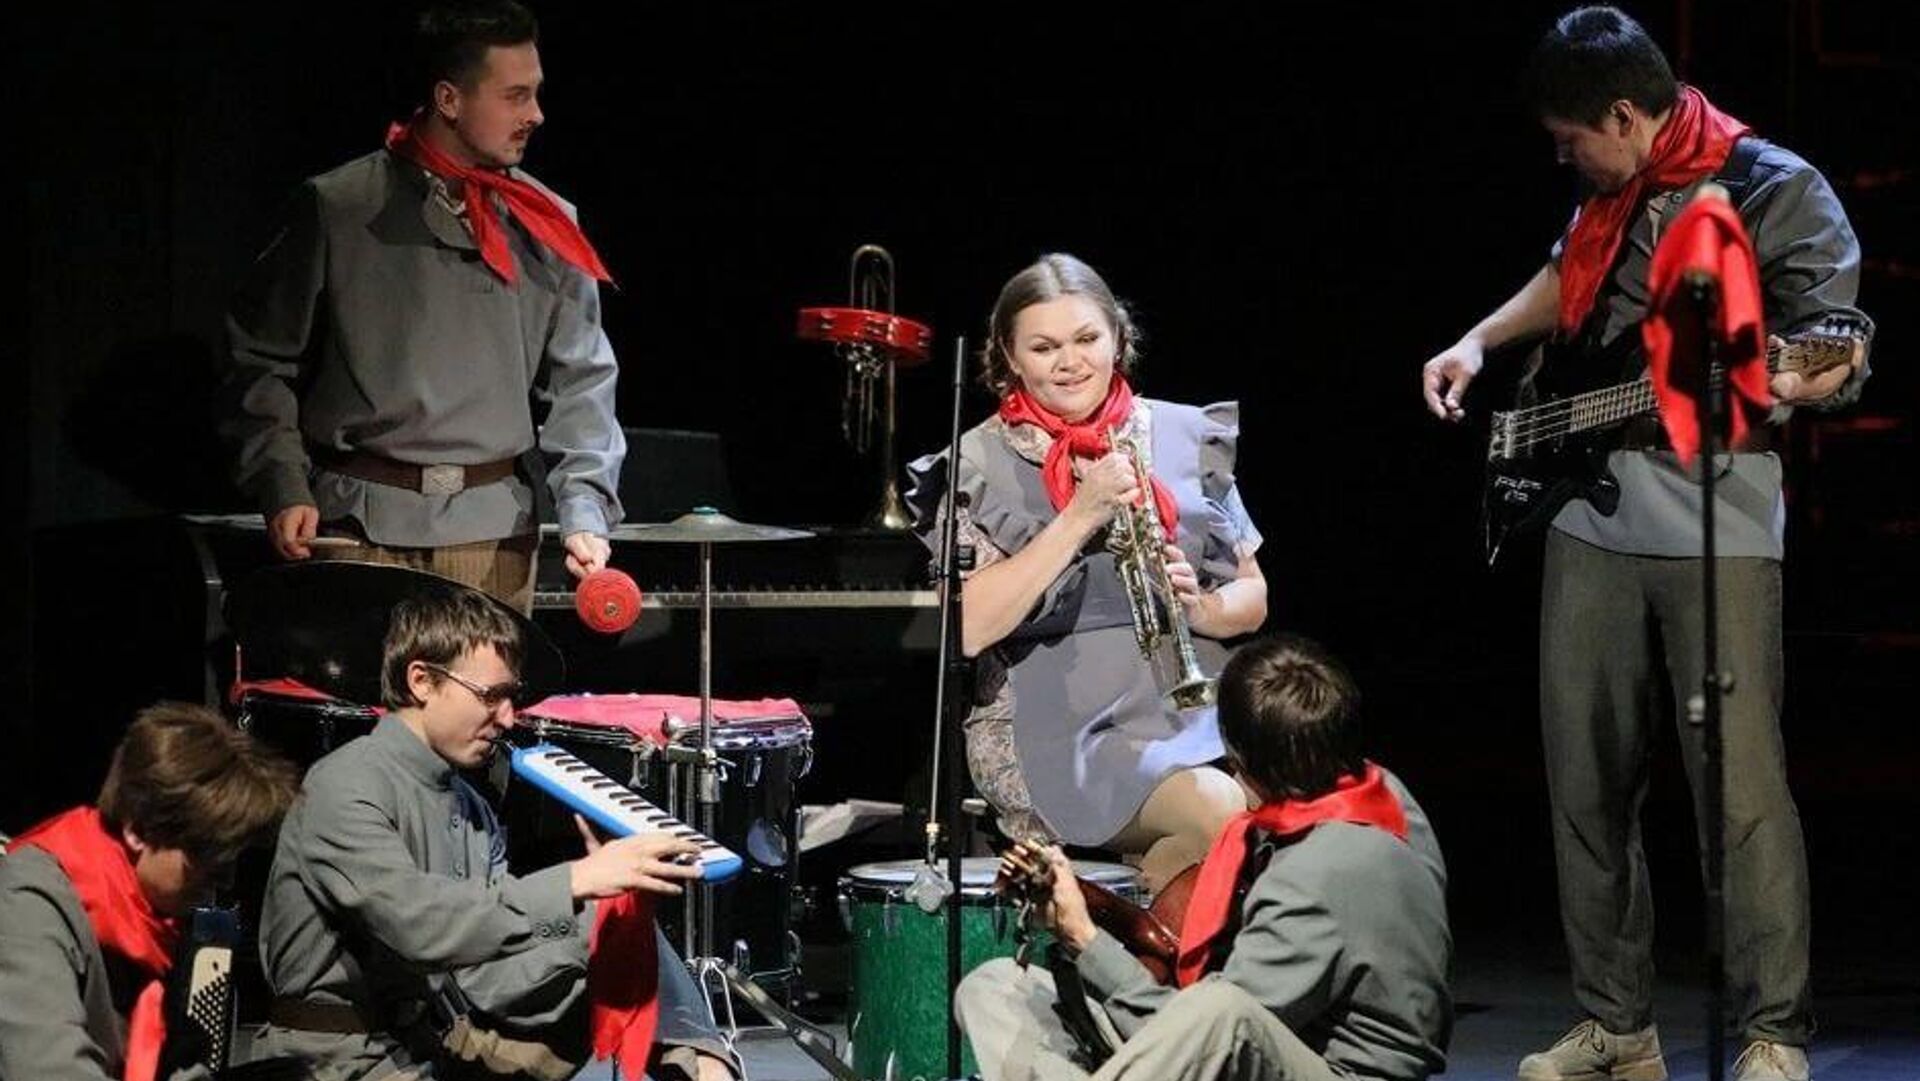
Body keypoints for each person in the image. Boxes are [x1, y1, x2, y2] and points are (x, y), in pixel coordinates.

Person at [1418, 9, 1872, 1081]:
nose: (1563, 157)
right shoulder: (1612, 189)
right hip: (1590, 511)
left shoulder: (1772, 187)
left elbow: (1835, 341)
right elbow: (1566, 278)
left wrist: (1813, 372)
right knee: (1585, 778)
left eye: (1570, 139)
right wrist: (1478, 339)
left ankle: (1772, 1032)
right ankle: (1617, 1026)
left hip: (1718, 518)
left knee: (1740, 788)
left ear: (1624, 115)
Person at [220, 0, 625, 614]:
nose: (536, 114)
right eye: (515, 96)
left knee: (483, 684)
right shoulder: (338, 208)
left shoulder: (547, 224)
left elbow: (583, 381)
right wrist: (282, 481)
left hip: (493, 543)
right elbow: (259, 361)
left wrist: (584, 508)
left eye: (536, 93)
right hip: (355, 532)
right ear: (448, 99)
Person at [251, 584, 734, 1080]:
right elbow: (420, 928)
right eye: (491, 695)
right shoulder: (345, 784)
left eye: (511, 698)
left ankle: (706, 1066)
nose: (507, 717)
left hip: (431, 1041)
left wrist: (606, 917)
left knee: (609, 920)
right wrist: (574, 881)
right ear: (421, 681)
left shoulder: (469, 805)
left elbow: (482, 975)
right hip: (335, 1061)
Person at [906, 252, 1268, 889]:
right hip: (1056, 730)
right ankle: (1134, 940)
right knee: (1218, 810)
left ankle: (1133, 933)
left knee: (1343, 802)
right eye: (1044, 348)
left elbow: (1253, 594)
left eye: (1086, 339)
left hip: (1197, 709)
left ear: (1117, 338)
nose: (1069, 362)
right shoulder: (976, 464)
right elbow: (969, 628)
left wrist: (1203, 609)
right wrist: (1078, 516)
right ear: (1010, 357)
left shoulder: (1187, 436)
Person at [955, 634, 1451, 1081]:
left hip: (1328, 1069)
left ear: (1237, 757)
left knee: (1220, 1010)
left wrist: (1084, 937)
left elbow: (1207, 1035)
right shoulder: (1384, 794)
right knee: (996, 987)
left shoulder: (1312, 876)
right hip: (1242, 1041)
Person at [0, 703, 299, 1080]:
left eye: (229, 860)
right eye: (206, 855)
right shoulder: (28, 904)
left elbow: (175, 1062)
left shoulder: (148, 918)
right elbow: (47, 1069)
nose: (223, 880)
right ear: (138, 830)